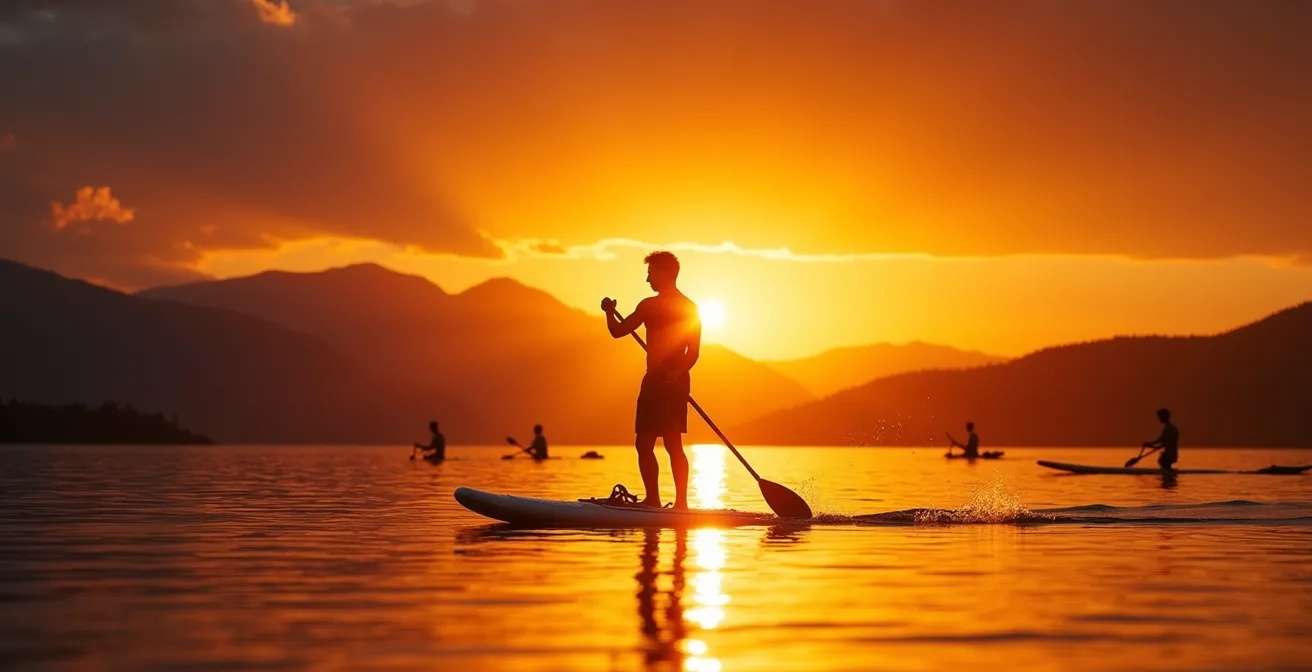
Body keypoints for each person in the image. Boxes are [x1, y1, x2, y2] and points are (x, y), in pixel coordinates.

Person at [601, 251, 701, 509]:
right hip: (652, 382)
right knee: (643, 443)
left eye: (651, 273)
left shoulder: (689, 308)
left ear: (666, 273)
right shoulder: (648, 306)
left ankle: (681, 504)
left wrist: (676, 372)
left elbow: (694, 352)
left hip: (675, 384)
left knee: (672, 442)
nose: (648, 279)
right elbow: (618, 331)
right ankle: (653, 500)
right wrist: (610, 312)